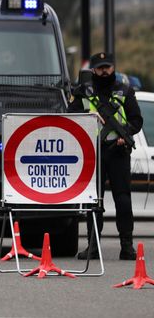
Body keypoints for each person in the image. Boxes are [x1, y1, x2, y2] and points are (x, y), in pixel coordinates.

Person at [68, 52, 143, 261]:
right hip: (92, 153)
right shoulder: (83, 92)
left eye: (107, 67)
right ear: (93, 69)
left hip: (118, 152)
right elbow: (69, 115)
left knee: (123, 198)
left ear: (113, 68)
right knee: (93, 201)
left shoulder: (124, 91)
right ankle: (93, 246)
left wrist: (124, 134)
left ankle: (126, 246)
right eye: (100, 68)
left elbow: (137, 120)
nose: (104, 71)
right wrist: (87, 117)